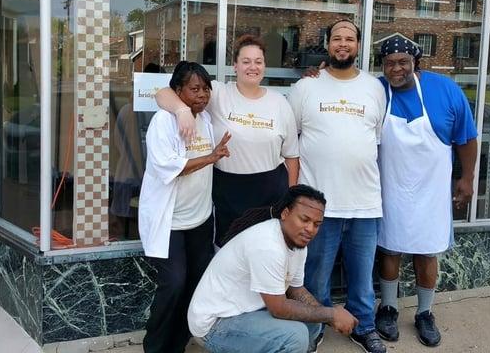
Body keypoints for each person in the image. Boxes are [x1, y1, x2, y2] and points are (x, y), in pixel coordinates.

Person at [287, 19, 387, 353]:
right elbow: (290, 140)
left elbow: (375, 137)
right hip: (318, 206)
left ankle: (364, 325)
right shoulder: (306, 88)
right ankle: (314, 328)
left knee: (362, 278)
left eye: (349, 39)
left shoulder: (374, 88)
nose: (342, 44)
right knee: (315, 277)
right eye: (336, 38)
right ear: (327, 44)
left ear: (358, 45)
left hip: (364, 202)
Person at [374, 35, 478, 347]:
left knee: (426, 251)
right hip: (390, 186)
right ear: (383, 65)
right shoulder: (376, 90)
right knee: (390, 248)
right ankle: (388, 307)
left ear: (416, 63)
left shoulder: (445, 90)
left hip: (430, 190)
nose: (396, 69)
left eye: (403, 62)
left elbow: (467, 138)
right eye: (390, 63)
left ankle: (424, 313)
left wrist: (468, 178)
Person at [155, 35, 299, 245]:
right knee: (227, 253)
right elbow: (162, 93)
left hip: (270, 192)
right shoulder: (219, 93)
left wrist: (291, 198)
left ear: (265, 66)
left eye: (258, 61)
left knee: (266, 251)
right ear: (235, 66)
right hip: (228, 191)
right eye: (246, 61)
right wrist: (181, 110)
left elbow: (292, 157)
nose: (253, 67)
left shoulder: (280, 103)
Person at [187, 185, 359, 353]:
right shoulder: (267, 245)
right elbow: (279, 308)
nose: (310, 229)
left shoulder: (298, 244)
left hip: (247, 312)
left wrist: (330, 317)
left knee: (313, 323)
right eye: (304, 220)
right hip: (215, 325)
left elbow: (296, 289)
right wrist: (331, 314)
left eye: (316, 224)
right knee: (295, 337)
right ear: (285, 214)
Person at [138, 61, 231, 353]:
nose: (202, 95)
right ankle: (154, 346)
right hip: (171, 224)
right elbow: (171, 168)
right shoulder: (163, 122)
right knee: (173, 284)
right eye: (194, 89)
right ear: (178, 90)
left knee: (193, 285)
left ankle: (176, 345)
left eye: (206, 88)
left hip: (200, 221)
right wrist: (212, 156)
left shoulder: (203, 118)